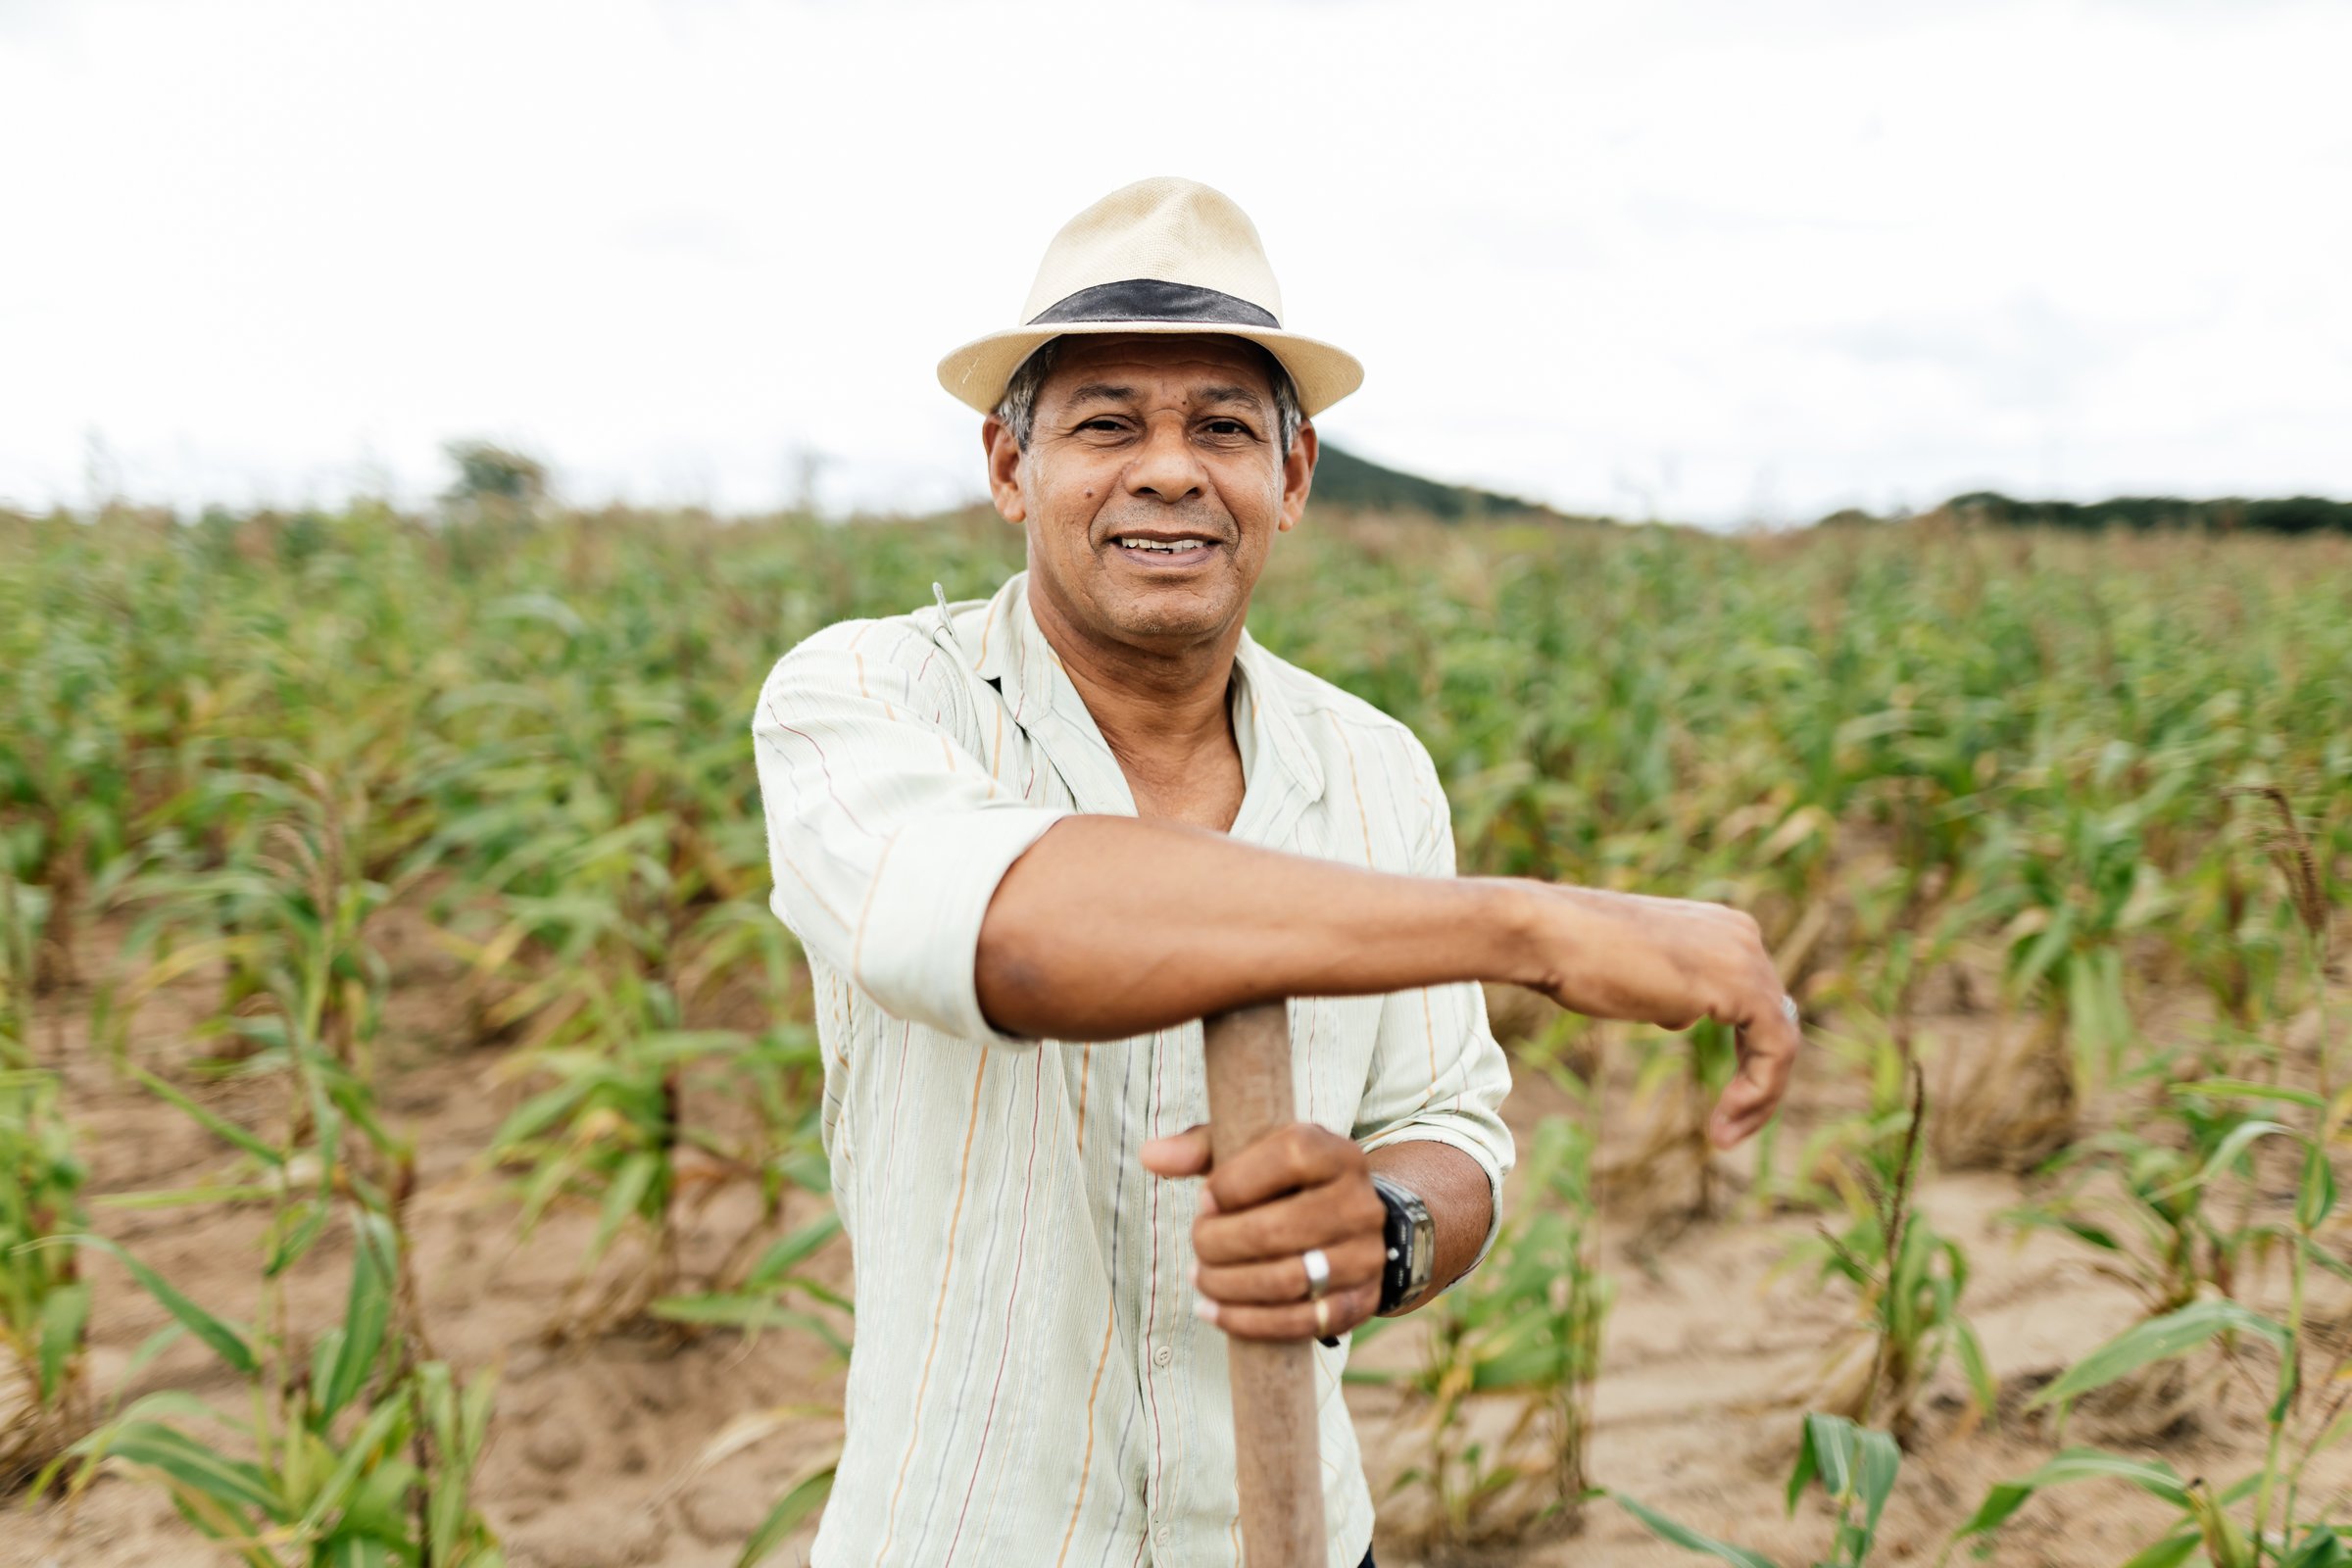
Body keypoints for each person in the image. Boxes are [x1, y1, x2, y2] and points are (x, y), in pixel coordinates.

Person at [750, 175, 1800, 1568]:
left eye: (1225, 429)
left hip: (1292, 1535)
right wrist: (1527, 926)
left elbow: (1453, 1129)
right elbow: (1010, 929)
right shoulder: (868, 698)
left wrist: (1385, 1226)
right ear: (1011, 471)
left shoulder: (1373, 770)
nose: (1170, 469)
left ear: (1292, 481)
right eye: (1106, 423)